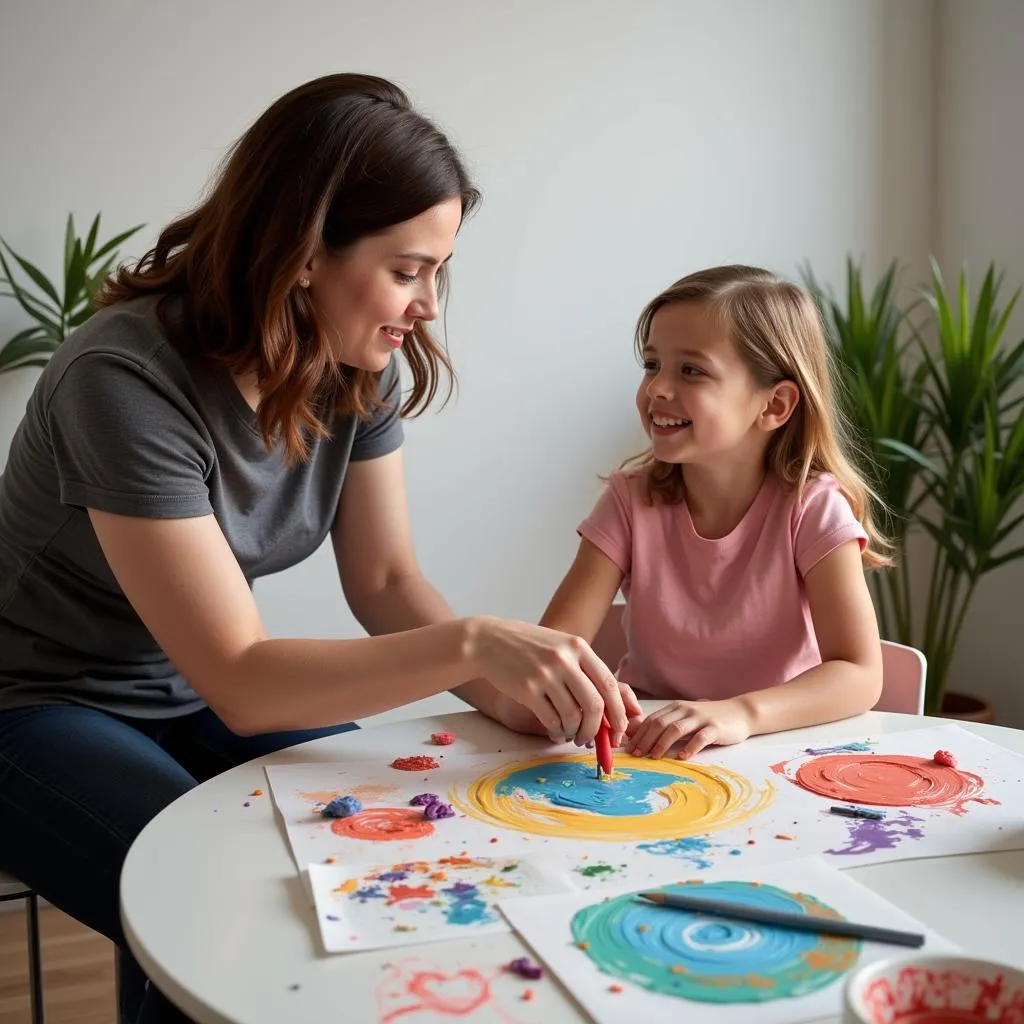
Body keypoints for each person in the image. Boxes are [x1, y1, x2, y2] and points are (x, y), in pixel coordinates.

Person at [0, 73, 635, 1024]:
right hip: (35, 702)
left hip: (186, 693)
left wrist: (517, 695)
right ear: (304, 253)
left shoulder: (352, 362)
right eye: (407, 267)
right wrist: (475, 643)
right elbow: (245, 680)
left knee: (383, 842)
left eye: (438, 270)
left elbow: (384, 581)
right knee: (203, 895)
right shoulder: (121, 378)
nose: (426, 305)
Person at [538, 264, 888, 762]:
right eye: (652, 364)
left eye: (691, 370)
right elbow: (551, 651)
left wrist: (740, 713)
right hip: (651, 756)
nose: (657, 388)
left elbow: (859, 672)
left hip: (777, 754)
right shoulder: (628, 500)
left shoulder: (811, 509)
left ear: (775, 405)